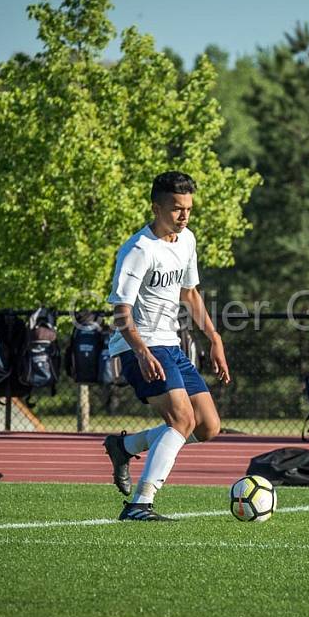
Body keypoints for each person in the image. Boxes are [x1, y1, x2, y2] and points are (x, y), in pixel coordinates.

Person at [102, 171, 230, 521]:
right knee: (181, 419)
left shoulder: (187, 240)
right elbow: (121, 313)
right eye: (176, 208)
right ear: (156, 207)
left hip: (170, 345)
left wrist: (214, 337)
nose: (184, 215)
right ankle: (140, 504)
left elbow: (189, 293)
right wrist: (141, 352)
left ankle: (124, 447)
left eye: (188, 208)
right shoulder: (138, 250)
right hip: (137, 346)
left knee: (207, 426)